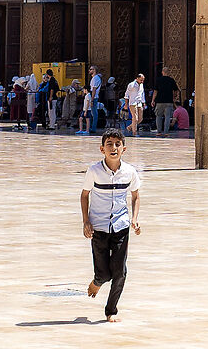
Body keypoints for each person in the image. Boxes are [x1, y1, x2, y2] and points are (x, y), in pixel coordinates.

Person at [79, 129, 145, 324]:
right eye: (109, 144)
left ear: (123, 149)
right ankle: (97, 282)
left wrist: (134, 218)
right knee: (103, 274)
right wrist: (85, 221)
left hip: (121, 227)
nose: (113, 147)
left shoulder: (130, 172)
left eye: (117, 144)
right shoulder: (94, 171)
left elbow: (135, 195)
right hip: (98, 228)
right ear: (102, 149)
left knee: (120, 272)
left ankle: (111, 311)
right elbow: (84, 195)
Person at [153, 68, 177, 135]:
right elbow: (176, 90)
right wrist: (173, 97)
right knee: (167, 117)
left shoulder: (158, 80)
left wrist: (153, 100)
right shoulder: (171, 80)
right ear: (168, 72)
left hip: (159, 101)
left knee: (158, 116)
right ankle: (166, 132)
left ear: (162, 72)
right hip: (169, 101)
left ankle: (159, 132)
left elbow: (155, 91)